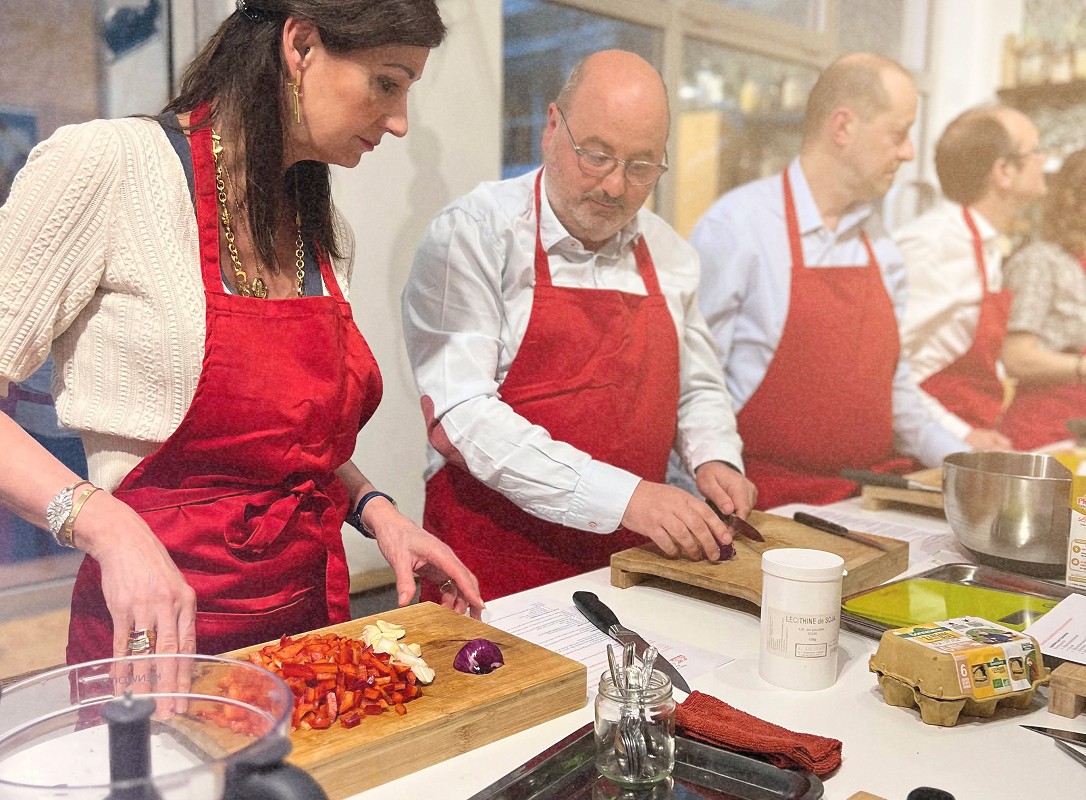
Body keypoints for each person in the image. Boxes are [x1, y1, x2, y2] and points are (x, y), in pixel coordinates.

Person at [0, 0, 483, 666]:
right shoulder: (110, 165)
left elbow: (278, 437)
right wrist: (104, 526)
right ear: (301, 45)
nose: (399, 122)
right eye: (387, 82)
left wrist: (376, 509)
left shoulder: (317, 225)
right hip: (159, 644)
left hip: (309, 632)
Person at [401, 50, 757, 600]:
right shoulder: (474, 234)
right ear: (551, 128)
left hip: (633, 567)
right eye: (596, 155)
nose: (615, 187)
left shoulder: (670, 253)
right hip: (494, 567)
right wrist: (629, 499)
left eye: (642, 167)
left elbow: (699, 387)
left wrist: (714, 456)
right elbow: (463, 417)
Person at [690, 52, 974, 511]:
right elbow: (695, 388)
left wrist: (970, 463)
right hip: (765, 503)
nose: (909, 152)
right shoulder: (737, 228)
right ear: (842, 128)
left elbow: (893, 388)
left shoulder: (880, 245)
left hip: (866, 498)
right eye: (899, 134)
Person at [894, 106, 1046, 449]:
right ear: (1003, 171)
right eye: (1035, 150)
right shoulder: (936, 244)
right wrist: (959, 434)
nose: (1044, 161)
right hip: (923, 449)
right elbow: (883, 368)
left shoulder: (985, 244)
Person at [998, 149, 1086, 450]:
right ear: (1075, 201)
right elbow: (1016, 357)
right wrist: (1081, 366)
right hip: (1045, 434)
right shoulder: (1040, 262)